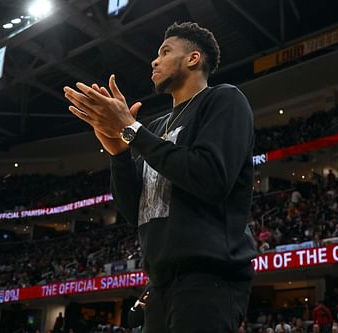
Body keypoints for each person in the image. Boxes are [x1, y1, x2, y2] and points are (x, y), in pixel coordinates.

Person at [64, 22, 257, 333]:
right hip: (158, 284)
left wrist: (131, 130)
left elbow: (210, 177)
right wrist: (118, 152)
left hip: (209, 278)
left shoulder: (223, 100)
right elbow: (134, 211)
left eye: (165, 52)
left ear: (193, 59)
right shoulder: (155, 128)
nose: (154, 60)